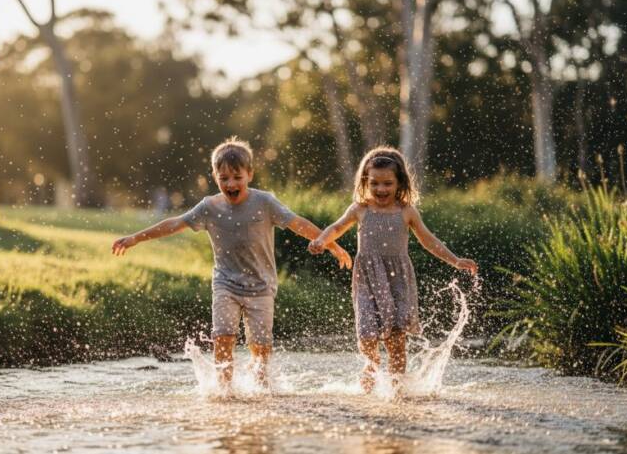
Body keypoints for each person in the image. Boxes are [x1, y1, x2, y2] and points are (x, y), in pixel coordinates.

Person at [112, 137, 352, 390]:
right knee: (223, 336)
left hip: (261, 286)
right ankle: (223, 391)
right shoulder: (209, 207)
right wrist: (136, 238)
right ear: (215, 176)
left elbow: (297, 223)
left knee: (261, 346)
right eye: (224, 178)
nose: (231, 184)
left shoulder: (265, 202)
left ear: (249, 174)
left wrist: (331, 243)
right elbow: (174, 223)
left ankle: (262, 390)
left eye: (237, 177)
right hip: (226, 284)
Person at [308, 146, 477, 393]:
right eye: (374, 183)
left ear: (400, 183)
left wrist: (455, 260)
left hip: (398, 280)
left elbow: (428, 240)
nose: (381, 189)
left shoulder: (406, 212)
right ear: (366, 182)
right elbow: (337, 227)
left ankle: (397, 389)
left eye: (387, 183)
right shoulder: (360, 209)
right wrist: (322, 241)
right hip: (367, 278)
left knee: (396, 339)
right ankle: (372, 362)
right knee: (366, 334)